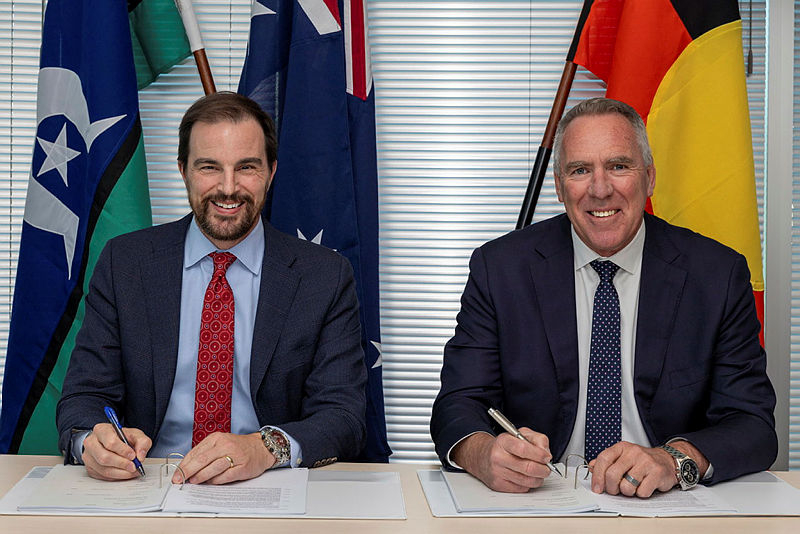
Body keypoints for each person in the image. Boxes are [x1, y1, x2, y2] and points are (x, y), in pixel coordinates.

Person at [430, 97, 777, 498]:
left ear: (649, 178)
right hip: (542, 499)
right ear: (559, 186)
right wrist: (483, 454)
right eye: (580, 170)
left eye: (618, 166)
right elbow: (458, 403)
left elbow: (752, 425)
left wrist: (674, 459)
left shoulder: (716, 275)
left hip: (667, 504)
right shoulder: (500, 269)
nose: (600, 189)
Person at [57, 92, 367, 484]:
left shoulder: (324, 276)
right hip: (147, 483)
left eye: (247, 167)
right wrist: (92, 440)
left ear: (271, 171)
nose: (228, 188)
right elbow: (85, 396)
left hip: (267, 484)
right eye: (209, 167)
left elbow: (344, 415)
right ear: (183, 170)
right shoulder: (126, 264)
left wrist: (265, 448)